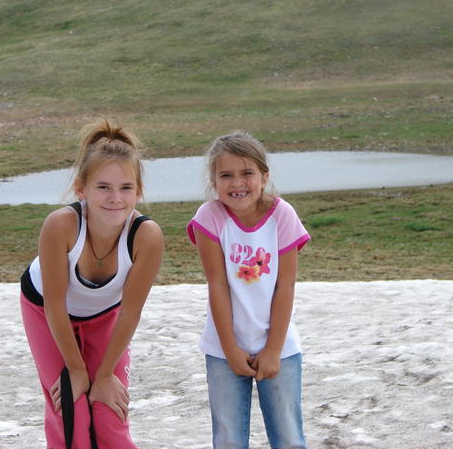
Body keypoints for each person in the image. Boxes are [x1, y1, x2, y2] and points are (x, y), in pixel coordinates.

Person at [20, 119, 164, 449]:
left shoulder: (147, 236)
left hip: (106, 318)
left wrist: (102, 376)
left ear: (138, 192)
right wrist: (76, 369)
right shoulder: (61, 225)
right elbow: (55, 305)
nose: (115, 198)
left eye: (126, 188)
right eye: (103, 187)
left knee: (108, 409)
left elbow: (130, 312)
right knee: (70, 407)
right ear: (81, 188)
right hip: (46, 313)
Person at [187, 132, 310, 449]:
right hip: (223, 349)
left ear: (264, 177)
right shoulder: (209, 217)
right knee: (228, 439)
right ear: (214, 180)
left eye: (247, 173)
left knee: (289, 439)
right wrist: (229, 348)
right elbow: (218, 284)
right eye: (226, 175)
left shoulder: (283, 215)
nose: (236, 183)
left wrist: (273, 349)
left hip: (279, 346)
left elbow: (285, 285)